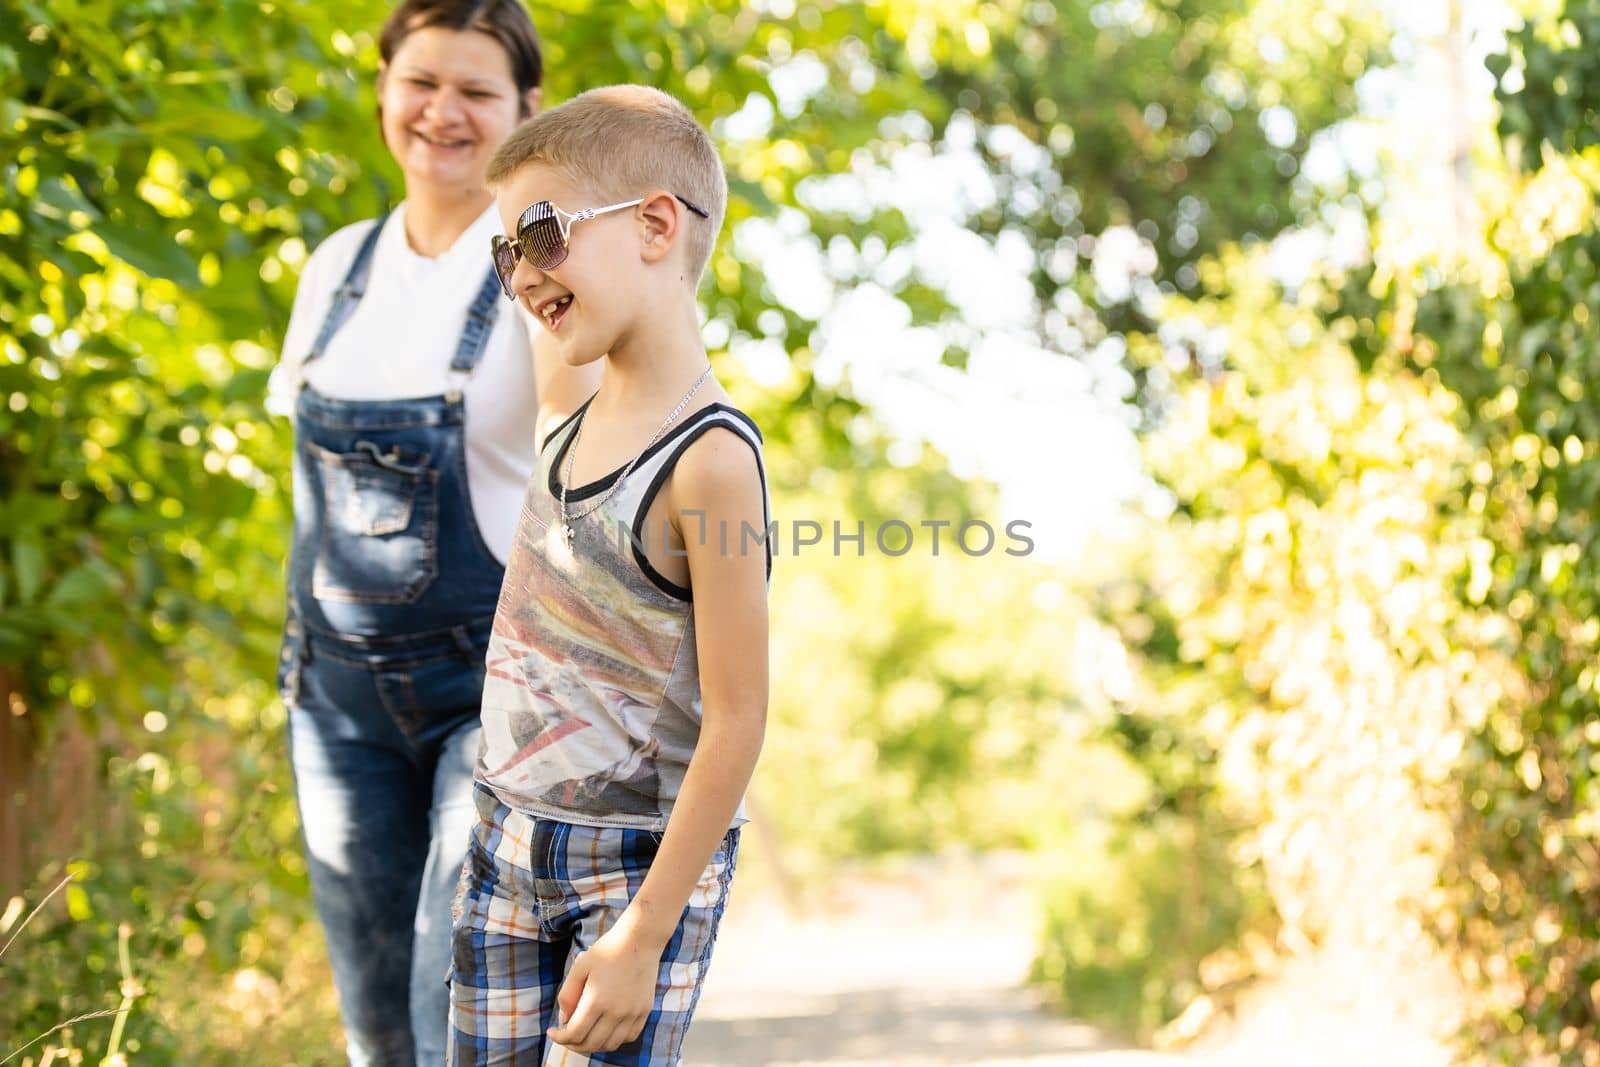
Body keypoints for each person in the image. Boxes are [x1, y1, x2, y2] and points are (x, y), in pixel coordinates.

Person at [269, 3, 598, 1063]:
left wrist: (546, 237)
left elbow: (578, 450)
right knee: (373, 1027)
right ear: (382, 91)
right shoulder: (335, 266)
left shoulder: (536, 264)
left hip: (487, 690)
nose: (443, 112)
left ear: (525, 113)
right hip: (336, 705)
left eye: (476, 92)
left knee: (450, 999)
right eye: (422, 82)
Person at [447, 85, 771, 1065]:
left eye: (540, 235)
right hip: (503, 835)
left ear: (655, 224)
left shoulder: (710, 458)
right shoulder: (568, 402)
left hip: (632, 872)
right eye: (504, 252)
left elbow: (738, 716)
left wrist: (642, 935)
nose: (519, 274)